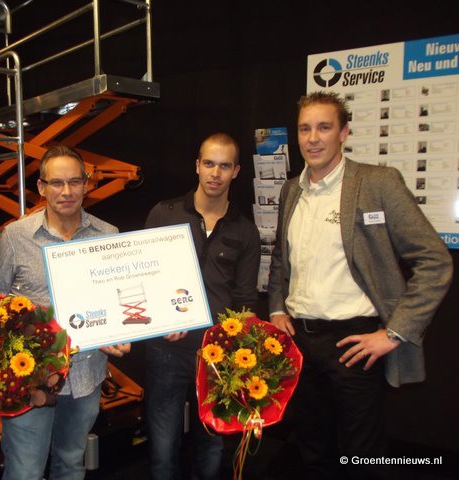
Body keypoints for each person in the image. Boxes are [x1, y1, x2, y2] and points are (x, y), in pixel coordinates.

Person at [267, 91, 453, 479]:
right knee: (312, 450)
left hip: (354, 344)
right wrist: (278, 307)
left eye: (324, 127)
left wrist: (395, 332)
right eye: (304, 128)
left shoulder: (377, 183)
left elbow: (435, 261)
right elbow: (282, 259)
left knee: (363, 457)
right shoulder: (291, 190)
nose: (313, 138)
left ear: (344, 133)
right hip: (301, 344)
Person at [0, 145, 131, 480]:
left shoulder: (108, 235)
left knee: (70, 464)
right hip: (29, 380)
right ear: (41, 187)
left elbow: (119, 299)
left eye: (75, 182)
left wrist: (122, 333)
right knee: (25, 471)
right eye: (56, 183)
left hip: (86, 377)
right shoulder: (16, 236)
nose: (66, 191)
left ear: (87, 184)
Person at [144, 133, 261, 480]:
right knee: (162, 450)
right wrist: (162, 320)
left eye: (224, 166)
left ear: (236, 171)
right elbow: (143, 280)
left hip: (218, 358)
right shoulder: (163, 214)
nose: (215, 173)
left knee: (211, 448)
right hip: (166, 351)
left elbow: (245, 301)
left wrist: (242, 355)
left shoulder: (245, 231)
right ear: (197, 166)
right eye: (209, 163)